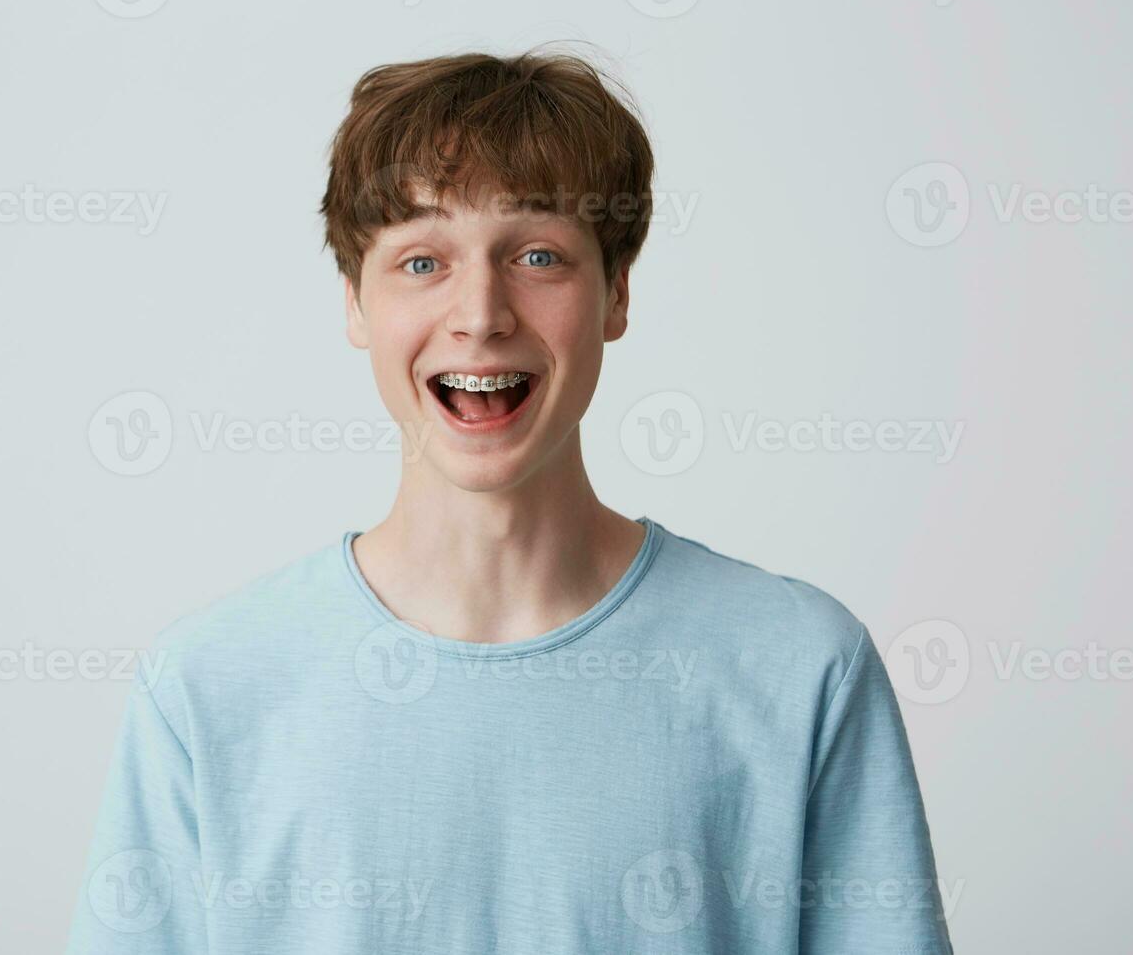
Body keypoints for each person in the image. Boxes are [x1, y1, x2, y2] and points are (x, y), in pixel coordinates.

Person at [65, 47, 954, 954]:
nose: (481, 312)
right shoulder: (209, 687)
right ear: (355, 304)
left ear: (616, 293)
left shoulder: (799, 667)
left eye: (537, 255)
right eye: (421, 261)